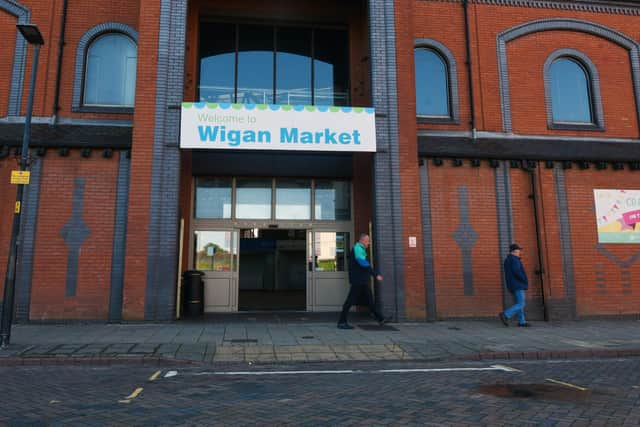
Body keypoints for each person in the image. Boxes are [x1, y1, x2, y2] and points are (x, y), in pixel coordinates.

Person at [337, 233, 391, 329]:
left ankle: (380, 318)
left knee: (370, 300)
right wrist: (375, 274)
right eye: (367, 241)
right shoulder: (357, 248)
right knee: (349, 301)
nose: (368, 243)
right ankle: (341, 322)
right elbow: (363, 264)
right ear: (362, 240)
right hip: (358, 280)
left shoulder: (360, 249)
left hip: (362, 280)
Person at [499, 243, 531, 327]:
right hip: (518, 284)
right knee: (521, 303)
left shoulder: (508, 259)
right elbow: (517, 271)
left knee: (519, 303)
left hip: (513, 284)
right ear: (514, 251)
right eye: (518, 250)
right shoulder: (514, 259)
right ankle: (505, 314)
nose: (520, 251)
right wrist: (524, 280)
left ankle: (522, 321)